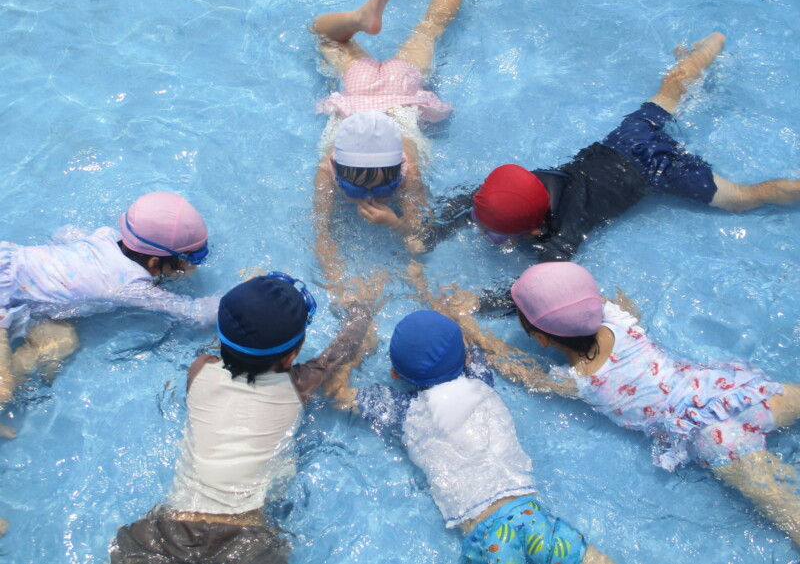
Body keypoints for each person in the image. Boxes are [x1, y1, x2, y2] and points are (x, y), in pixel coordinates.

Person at [416, 33, 800, 265]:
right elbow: (471, 200)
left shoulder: (565, 230)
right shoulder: (528, 186)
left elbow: (538, 288)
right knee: (671, 90)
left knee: (740, 199)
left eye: (496, 237)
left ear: (535, 229)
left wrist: (477, 304)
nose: (487, 237)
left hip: (657, 172)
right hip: (627, 141)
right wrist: (432, 233)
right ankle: (712, 45)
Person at [508, 261, 800, 545]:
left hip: (714, 438)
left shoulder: (578, 381)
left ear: (540, 339)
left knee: (786, 507)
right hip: (733, 392)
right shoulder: (620, 321)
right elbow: (609, 301)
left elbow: (523, 373)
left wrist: (481, 337)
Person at [110, 272, 379, 564]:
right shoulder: (299, 385)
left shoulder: (199, 369)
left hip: (165, 532)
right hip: (243, 542)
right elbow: (341, 351)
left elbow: (225, 347)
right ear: (291, 357)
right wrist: (361, 309)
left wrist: (243, 313)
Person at [325, 307, 617, 564]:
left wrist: (355, 355)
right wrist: (452, 313)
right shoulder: (481, 377)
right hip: (531, 515)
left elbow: (336, 395)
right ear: (465, 359)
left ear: (395, 375)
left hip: (489, 536)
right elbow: (469, 344)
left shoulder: (402, 407)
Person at [0, 191, 217, 419]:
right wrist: (240, 296)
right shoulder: (130, 286)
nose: (196, 267)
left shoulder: (106, 236)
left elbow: (63, 233)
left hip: (9, 262)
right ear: (154, 264)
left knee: (63, 341)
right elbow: (195, 313)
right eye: (192, 260)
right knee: (4, 388)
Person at [312, 0, 461, 289]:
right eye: (354, 189)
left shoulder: (409, 170)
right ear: (334, 168)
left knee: (324, 33)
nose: (370, 195)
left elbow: (421, 233)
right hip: (380, 85)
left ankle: (358, 18)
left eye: (383, 188)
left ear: (400, 168)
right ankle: (357, 18)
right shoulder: (327, 170)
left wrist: (396, 223)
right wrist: (337, 284)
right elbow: (321, 236)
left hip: (387, 86)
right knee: (429, 27)